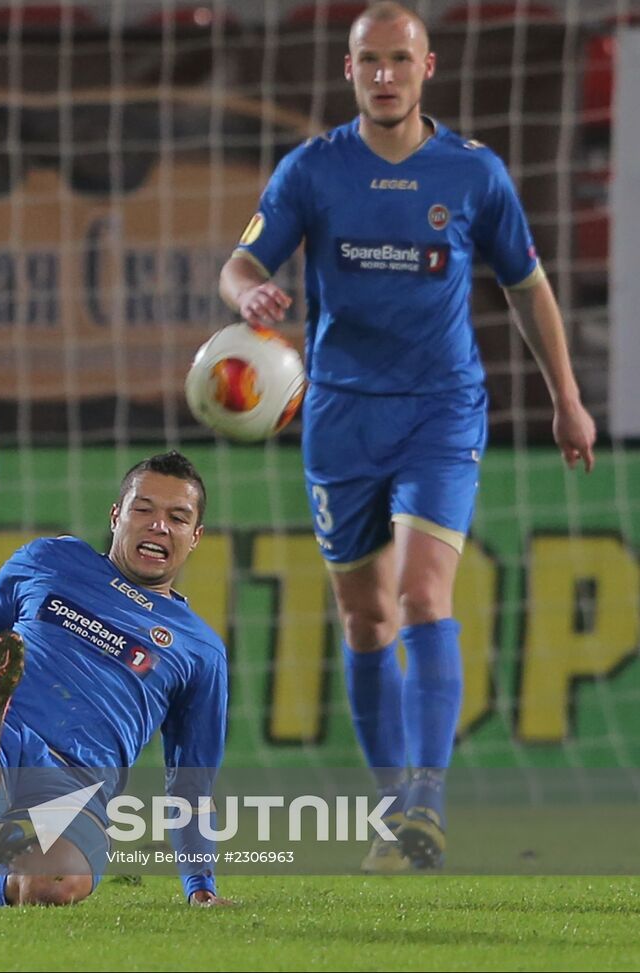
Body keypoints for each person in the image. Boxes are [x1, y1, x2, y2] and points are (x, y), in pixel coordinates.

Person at [217, 2, 596, 871]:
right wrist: (248, 296)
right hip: (341, 416)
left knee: (425, 595)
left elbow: (528, 287)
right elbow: (241, 262)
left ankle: (426, 795)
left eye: (400, 60)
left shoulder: (473, 173)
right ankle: (396, 810)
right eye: (369, 62)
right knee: (364, 616)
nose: (385, 75)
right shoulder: (312, 170)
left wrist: (566, 396)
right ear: (348, 72)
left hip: (442, 409)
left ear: (429, 69)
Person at [0, 451, 232, 908]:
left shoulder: (201, 650)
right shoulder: (52, 560)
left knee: (53, 884)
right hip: (8, 737)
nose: (159, 525)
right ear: (116, 515)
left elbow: (191, 783)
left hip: (77, 785)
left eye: (177, 518)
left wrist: (201, 888)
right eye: (144, 509)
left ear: (194, 537)